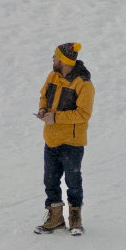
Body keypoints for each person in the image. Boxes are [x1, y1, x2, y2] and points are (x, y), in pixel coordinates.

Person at [34, 41, 93, 234]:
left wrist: (56, 117)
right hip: (51, 139)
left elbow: (83, 113)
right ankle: (55, 218)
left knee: (73, 181)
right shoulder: (52, 76)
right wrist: (43, 108)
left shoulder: (83, 84)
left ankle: (75, 218)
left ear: (64, 60)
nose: (52, 58)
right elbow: (43, 95)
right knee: (50, 181)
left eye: (55, 56)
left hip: (72, 142)